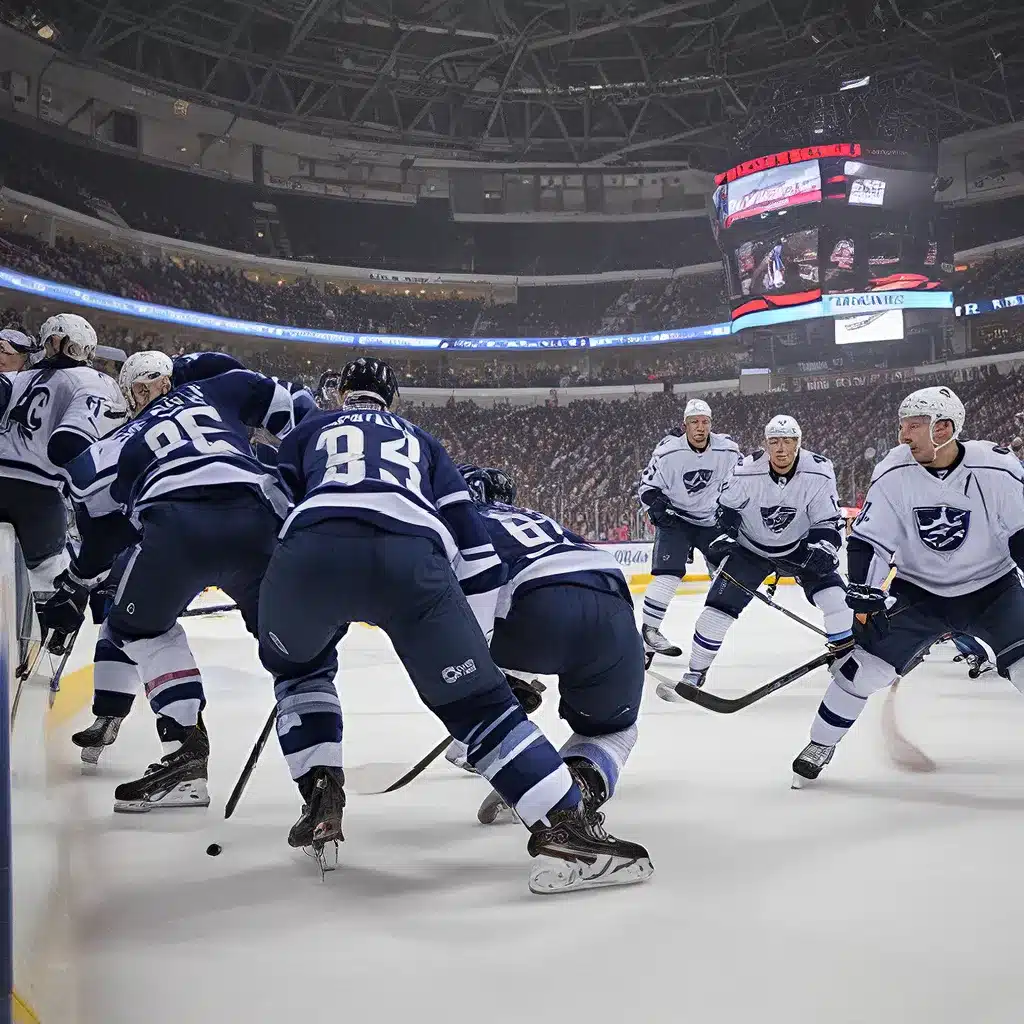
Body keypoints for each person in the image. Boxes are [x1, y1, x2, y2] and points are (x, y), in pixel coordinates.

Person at [258, 357, 652, 894]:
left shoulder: (309, 430)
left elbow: (272, 506)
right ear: (390, 400)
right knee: (479, 709)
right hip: (417, 562)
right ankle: (567, 828)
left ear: (341, 393)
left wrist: (291, 591)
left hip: (309, 554)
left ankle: (320, 796)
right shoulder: (423, 442)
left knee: (301, 674)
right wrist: (479, 656)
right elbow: (479, 559)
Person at [53, 350, 294, 808]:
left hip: (177, 530)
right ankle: (320, 769)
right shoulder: (217, 390)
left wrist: (78, 579)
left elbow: (90, 503)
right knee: (293, 644)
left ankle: (184, 752)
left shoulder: (123, 434)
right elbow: (288, 407)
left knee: (131, 628)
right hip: (256, 523)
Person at [791, 386, 1024, 785]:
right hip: (921, 591)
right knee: (860, 671)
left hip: (992, 589)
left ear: (945, 428)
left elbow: (1021, 534)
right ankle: (820, 743)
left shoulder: (996, 468)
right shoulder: (893, 469)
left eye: (914, 426)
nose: (903, 435)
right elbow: (870, 540)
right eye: (903, 426)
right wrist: (865, 595)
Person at [456, 465, 647, 832]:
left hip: (533, 613)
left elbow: (458, 605)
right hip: (614, 613)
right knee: (613, 730)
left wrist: (490, 683)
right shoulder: (536, 517)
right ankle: (580, 786)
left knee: (473, 686)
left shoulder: (451, 521)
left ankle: (524, 771)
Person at [659, 414, 852, 698]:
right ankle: (695, 674)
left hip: (799, 547)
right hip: (751, 549)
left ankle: (845, 663)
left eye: (788, 441)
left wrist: (824, 548)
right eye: (774, 442)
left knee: (837, 599)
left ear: (798, 443)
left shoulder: (820, 471)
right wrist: (725, 537)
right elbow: (725, 511)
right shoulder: (746, 470)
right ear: (766, 443)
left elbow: (826, 519)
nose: (781, 449)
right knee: (715, 613)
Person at [0, 314, 126, 593]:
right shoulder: (93, 380)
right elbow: (67, 444)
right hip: (39, 496)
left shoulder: (17, 378)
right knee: (52, 580)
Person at [638, 399, 740, 663]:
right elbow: (647, 488)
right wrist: (657, 506)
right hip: (677, 519)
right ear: (684, 425)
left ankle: (710, 634)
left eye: (705, 421)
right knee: (668, 576)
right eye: (694, 422)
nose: (700, 427)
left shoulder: (728, 450)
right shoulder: (668, 452)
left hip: (710, 519)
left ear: (711, 424)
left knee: (730, 572)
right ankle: (648, 635)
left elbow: (741, 483)